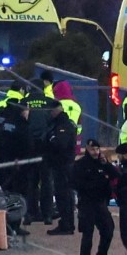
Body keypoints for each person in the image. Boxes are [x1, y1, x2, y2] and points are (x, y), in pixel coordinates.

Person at [73, 139, 118, 255]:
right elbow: (75, 183)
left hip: (100, 203)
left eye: (97, 149)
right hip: (87, 204)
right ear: (87, 149)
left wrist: (107, 164)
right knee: (88, 235)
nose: (95, 152)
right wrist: (92, 186)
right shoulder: (81, 165)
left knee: (108, 230)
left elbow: (116, 175)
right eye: (93, 149)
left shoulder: (102, 163)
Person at [0, 95, 30, 235]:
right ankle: (14, 226)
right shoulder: (21, 123)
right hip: (17, 164)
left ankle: (4, 224)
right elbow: (26, 143)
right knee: (17, 195)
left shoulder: (0, 119)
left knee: (5, 192)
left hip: (1, 160)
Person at [22, 82, 54, 225]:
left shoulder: (24, 102)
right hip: (46, 146)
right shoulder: (51, 102)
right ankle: (47, 215)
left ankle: (30, 213)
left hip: (29, 146)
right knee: (46, 180)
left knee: (31, 181)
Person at [44, 100, 77, 235]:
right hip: (61, 164)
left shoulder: (63, 125)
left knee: (64, 195)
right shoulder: (59, 123)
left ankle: (67, 225)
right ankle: (66, 223)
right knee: (63, 195)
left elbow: (61, 144)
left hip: (63, 164)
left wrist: (51, 138)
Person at [53, 79, 82, 152]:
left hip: (60, 138)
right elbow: (79, 124)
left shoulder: (57, 105)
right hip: (73, 137)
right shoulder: (77, 106)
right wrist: (77, 134)